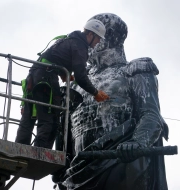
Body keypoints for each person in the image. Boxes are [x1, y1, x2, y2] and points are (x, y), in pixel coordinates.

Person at [55, 13, 169, 190]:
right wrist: (59, 161)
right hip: (79, 170)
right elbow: (64, 130)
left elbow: (150, 114)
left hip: (121, 165)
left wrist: (137, 142)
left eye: (90, 34)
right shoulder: (77, 84)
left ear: (107, 38)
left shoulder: (133, 70)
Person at [15, 19, 110, 149]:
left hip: (34, 75)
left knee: (28, 117)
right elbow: (81, 77)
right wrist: (95, 92)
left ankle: (19, 148)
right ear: (90, 34)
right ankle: (40, 152)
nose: (98, 42)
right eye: (98, 38)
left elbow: (52, 58)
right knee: (50, 116)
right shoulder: (80, 46)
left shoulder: (68, 40)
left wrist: (62, 72)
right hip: (46, 79)